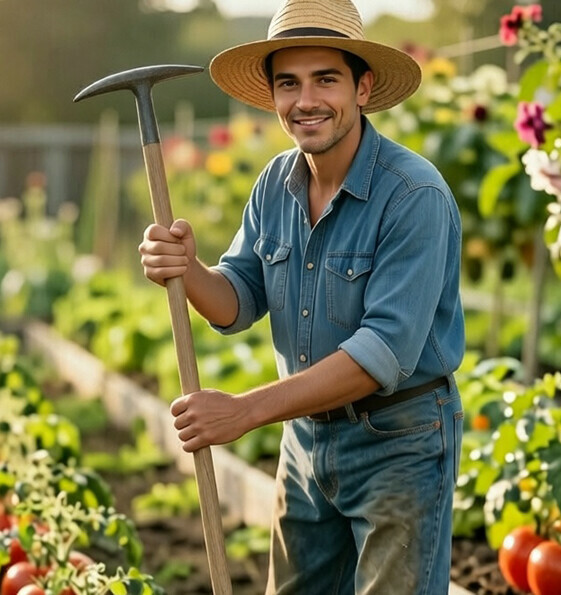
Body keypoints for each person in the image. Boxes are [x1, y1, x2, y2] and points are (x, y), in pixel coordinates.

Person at [138, 0, 465, 592]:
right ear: (273, 95)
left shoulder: (413, 195)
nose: (306, 100)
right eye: (288, 83)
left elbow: (381, 353)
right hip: (306, 442)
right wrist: (187, 270)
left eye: (325, 79)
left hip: (400, 443)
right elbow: (237, 298)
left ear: (363, 87)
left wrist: (244, 411)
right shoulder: (275, 183)